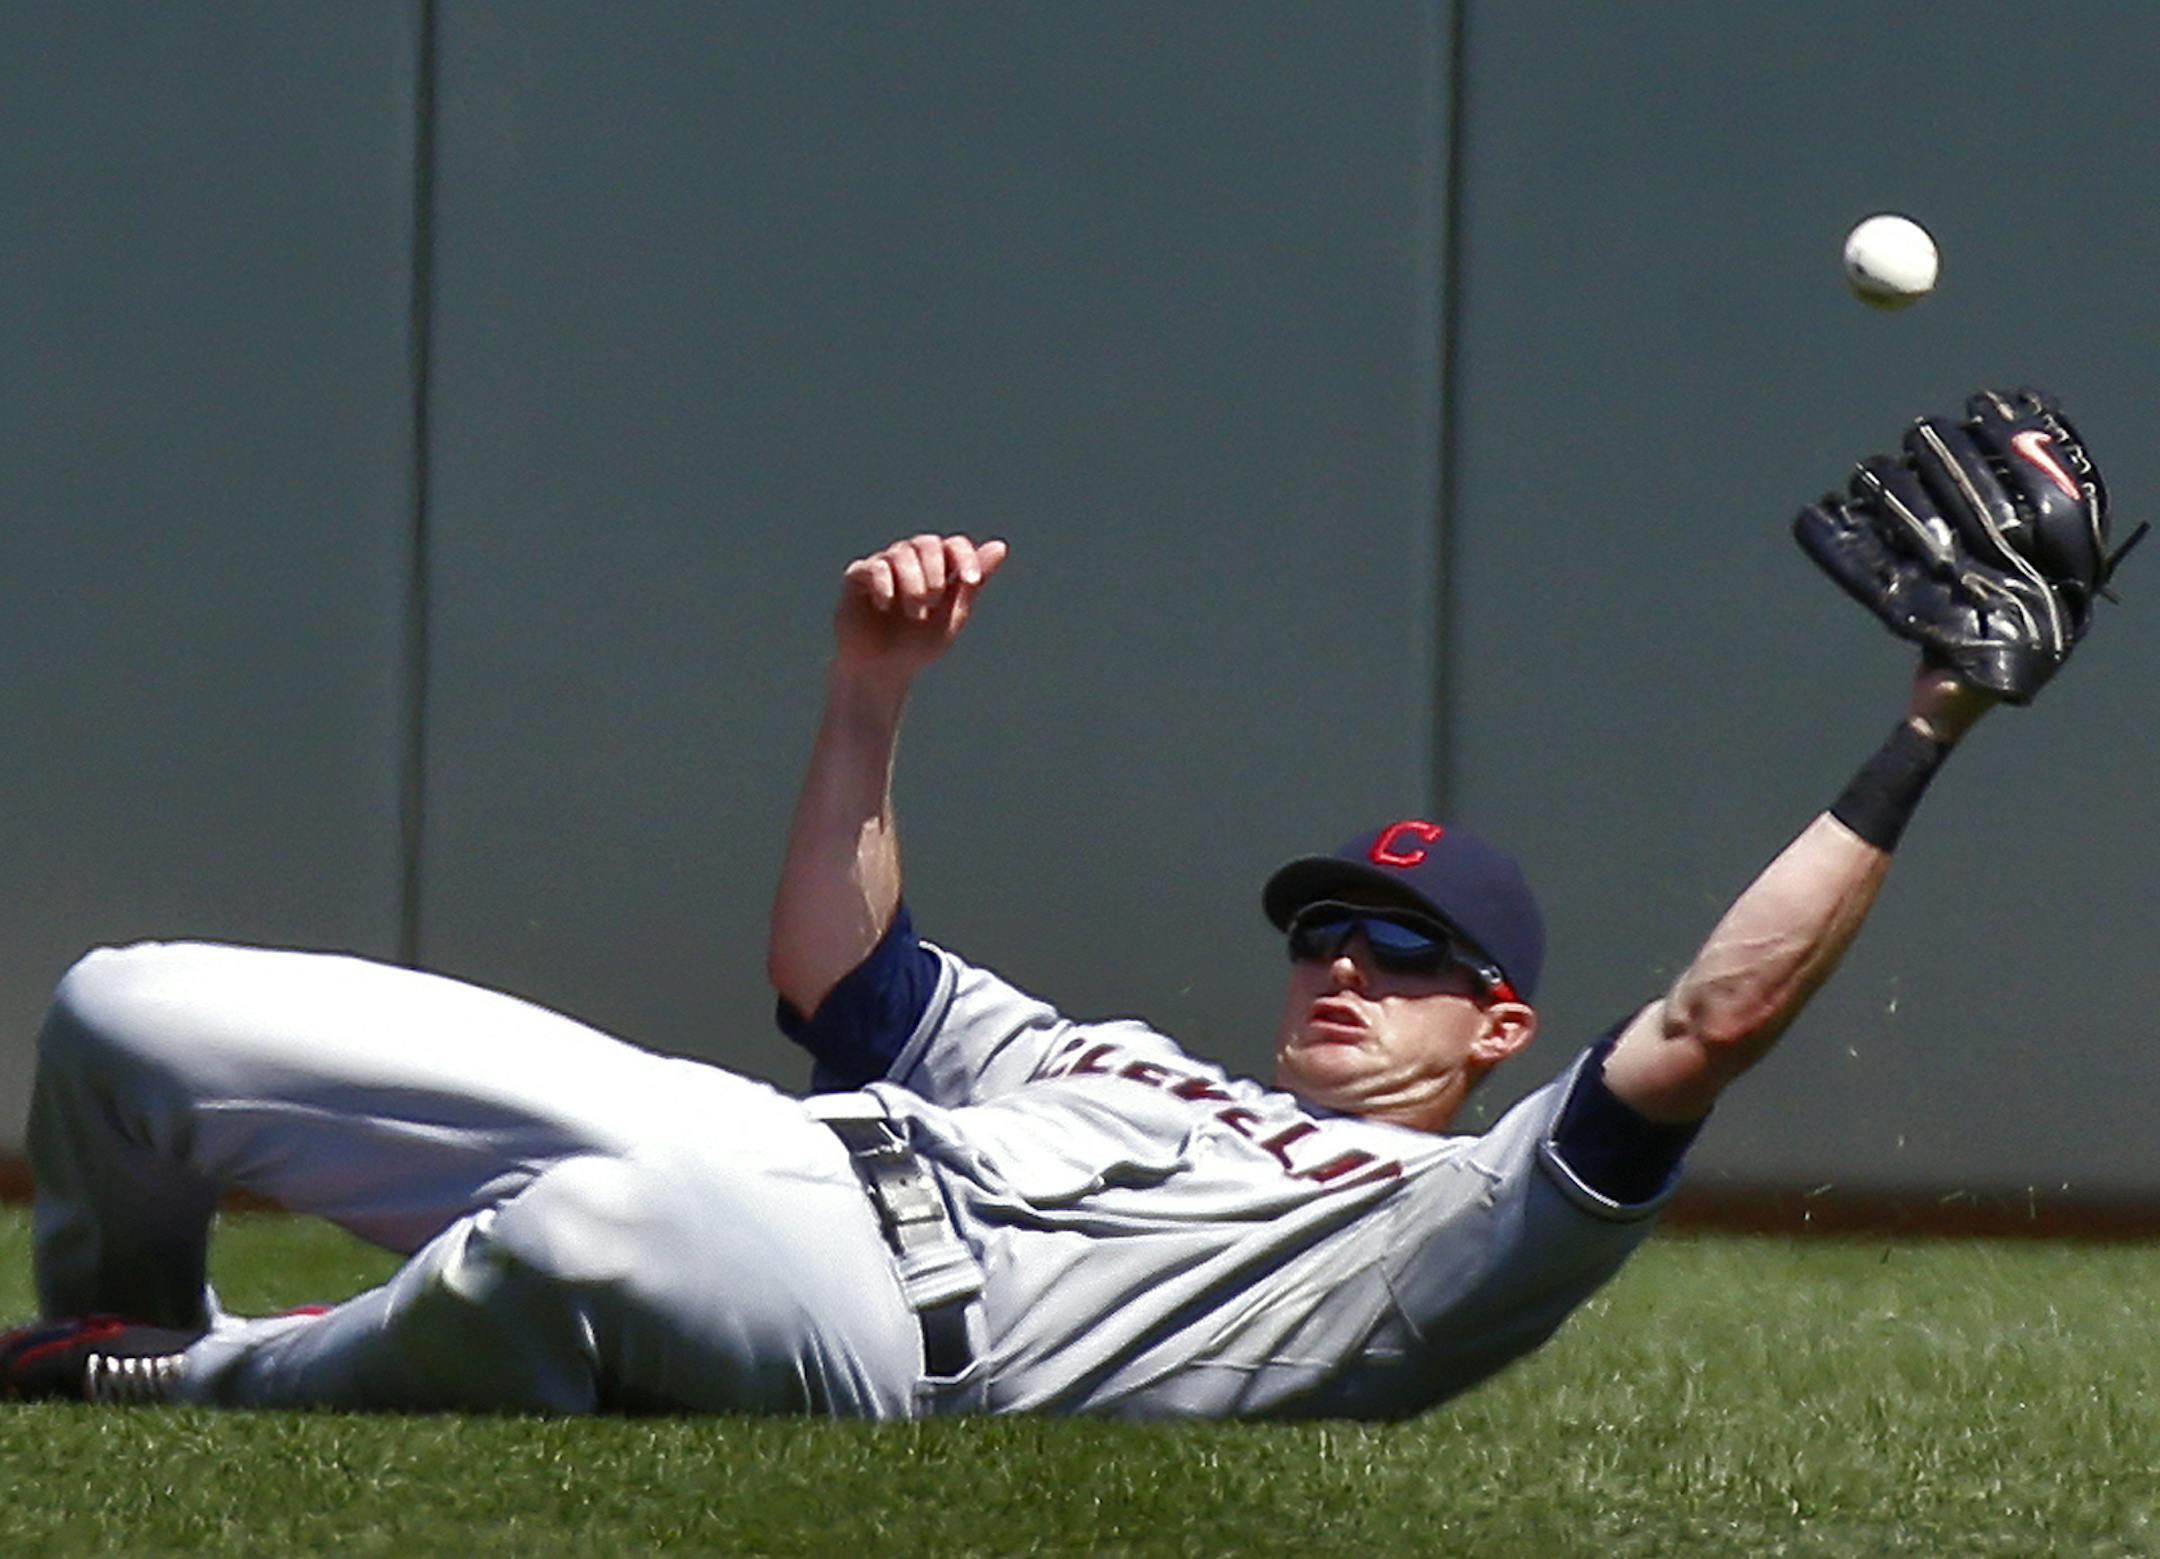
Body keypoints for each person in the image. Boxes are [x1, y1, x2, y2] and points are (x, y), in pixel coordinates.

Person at [0, 532, 1994, 1417]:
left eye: (1407, 957)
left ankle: (184, 1389)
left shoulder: (1457, 1231)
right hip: (768, 1149)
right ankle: (120, 1341)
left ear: (1496, 1030)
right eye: (1326, 929)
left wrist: (1932, 722)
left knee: (587, 1237)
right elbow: (840, 982)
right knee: (126, 1010)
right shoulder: (1120, 1062)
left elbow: (1710, 1024)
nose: (1344, 965)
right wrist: (868, 700)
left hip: (868, 1318)